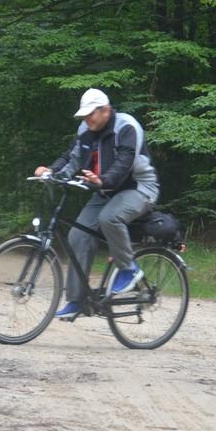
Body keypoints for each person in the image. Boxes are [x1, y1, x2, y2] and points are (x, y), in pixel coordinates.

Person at [34, 88, 159, 319]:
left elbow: (124, 162)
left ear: (106, 110)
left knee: (109, 217)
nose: (86, 119)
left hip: (139, 189)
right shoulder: (85, 130)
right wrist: (51, 171)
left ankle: (129, 269)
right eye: (84, 115)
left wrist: (103, 180)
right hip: (105, 191)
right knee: (77, 235)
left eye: (90, 114)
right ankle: (77, 301)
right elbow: (71, 158)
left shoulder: (126, 126)